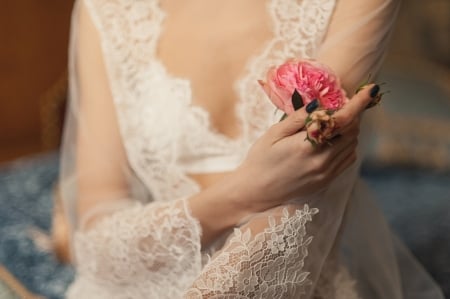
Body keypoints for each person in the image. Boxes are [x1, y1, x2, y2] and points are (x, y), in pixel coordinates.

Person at [57, 0, 444, 298]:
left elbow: (313, 189)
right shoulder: (107, 11)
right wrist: (244, 193)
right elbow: (96, 231)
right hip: (151, 269)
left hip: (297, 273)